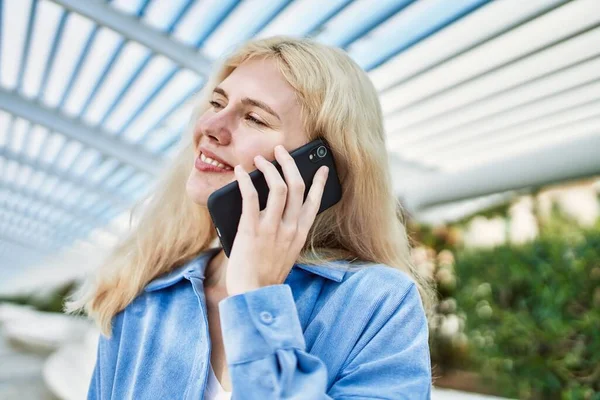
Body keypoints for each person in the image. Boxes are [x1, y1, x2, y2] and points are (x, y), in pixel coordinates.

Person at [67, 36, 434, 400]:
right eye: (216, 102)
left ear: (318, 166)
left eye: (254, 118)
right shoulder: (144, 296)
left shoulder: (377, 304)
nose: (211, 126)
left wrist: (256, 299)